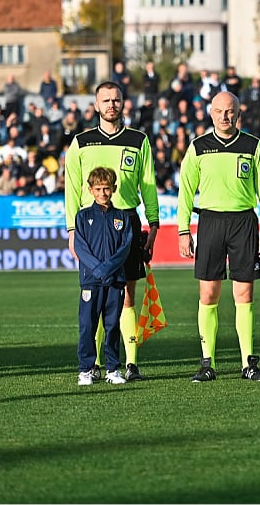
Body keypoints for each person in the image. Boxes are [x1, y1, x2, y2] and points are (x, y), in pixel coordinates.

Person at [177, 91, 260, 382]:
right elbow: (185, 191)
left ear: (238, 114)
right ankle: (207, 363)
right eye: (219, 111)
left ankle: (249, 363)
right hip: (210, 222)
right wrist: (183, 230)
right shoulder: (198, 147)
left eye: (230, 111)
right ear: (211, 113)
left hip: (244, 222)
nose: (224, 116)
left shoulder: (253, 146)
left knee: (244, 294)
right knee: (208, 294)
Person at [65, 81, 160, 382]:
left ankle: (130, 364)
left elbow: (148, 184)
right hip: (91, 224)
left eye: (116, 100)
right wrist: (71, 230)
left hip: (126, 221)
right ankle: (92, 364)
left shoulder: (138, 140)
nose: (111, 105)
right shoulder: (81, 142)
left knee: (127, 295)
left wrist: (153, 224)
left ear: (123, 103)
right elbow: (71, 187)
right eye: (105, 100)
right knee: (94, 296)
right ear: (96, 105)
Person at [74, 167, 133, 386]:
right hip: (91, 281)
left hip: (115, 281)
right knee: (87, 326)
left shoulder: (122, 217)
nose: (102, 193)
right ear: (90, 190)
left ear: (114, 188)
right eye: (98, 189)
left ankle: (112, 369)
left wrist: (107, 269)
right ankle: (86, 369)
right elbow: (80, 248)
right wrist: (98, 270)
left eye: (106, 188)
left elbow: (125, 248)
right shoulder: (83, 216)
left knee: (112, 326)